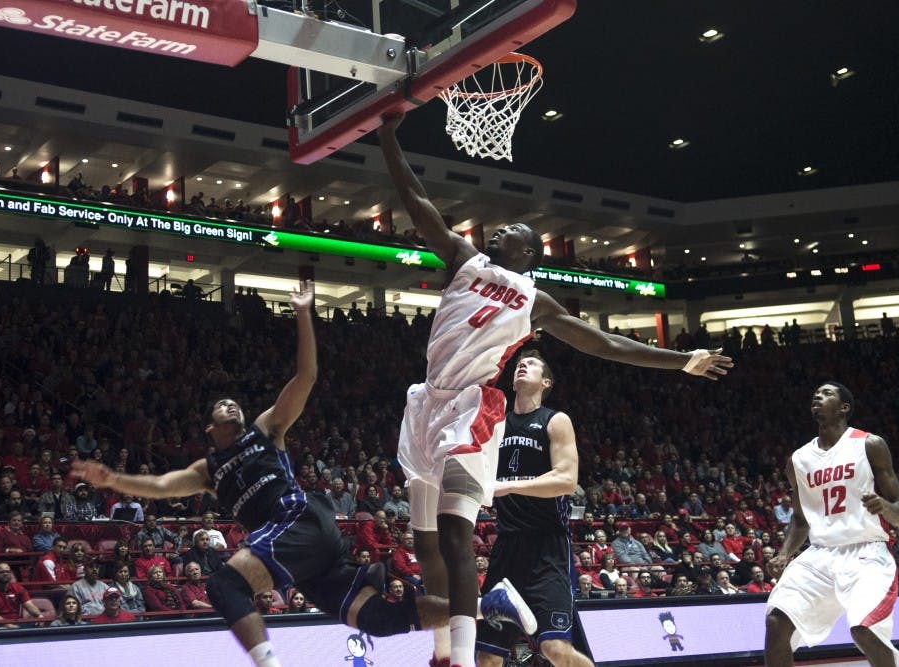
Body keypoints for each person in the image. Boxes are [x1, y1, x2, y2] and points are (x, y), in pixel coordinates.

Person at [379, 113, 732, 667]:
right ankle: (444, 652)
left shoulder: (535, 302)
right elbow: (416, 201)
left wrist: (681, 361)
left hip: (471, 406)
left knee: (453, 533)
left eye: (511, 234)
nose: (497, 233)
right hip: (427, 400)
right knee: (423, 540)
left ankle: (463, 659)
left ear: (528, 255)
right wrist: (388, 138)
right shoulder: (463, 260)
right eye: (497, 231)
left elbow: (604, 345)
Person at [72, 281, 533, 667]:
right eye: (220, 406)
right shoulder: (207, 470)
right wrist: (112, 480)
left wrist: (303, 314)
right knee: (378, 619)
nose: (231, 403)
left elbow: (306, 376)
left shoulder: (266, 429)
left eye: (235, 401)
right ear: (210, 428)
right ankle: (486, 605)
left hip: (300, 524)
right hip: (301, 558)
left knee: (223, 583)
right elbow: (157, 486)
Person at [765, 383, 899, 667]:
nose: (818, 396)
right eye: (815, 393)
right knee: (776, 622)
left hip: (866, 553)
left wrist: (883, 506)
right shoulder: (798, 460)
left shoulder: (869, 445)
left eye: (827, 393)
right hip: (821, 553)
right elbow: (800, 519)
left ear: (844, 407)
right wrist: (784, 553)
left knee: (863, 630)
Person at [477, 352, 591, 667]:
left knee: (555, 648)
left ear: (546, 382)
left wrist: (509, 485)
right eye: (518, 364)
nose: (522, 365)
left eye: (532, 364)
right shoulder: (496, 424)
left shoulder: (555, 420)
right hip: (506, 548)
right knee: (487, 655)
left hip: (548, 548)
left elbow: (566, 480)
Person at [0, 563, 45, 628]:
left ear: (10, 574)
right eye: (2, 572)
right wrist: (10, 626)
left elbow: (29, 605)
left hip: (17, 623)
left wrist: (39, 616)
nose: (5, 574)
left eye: (7, 572)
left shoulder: (18, 588)